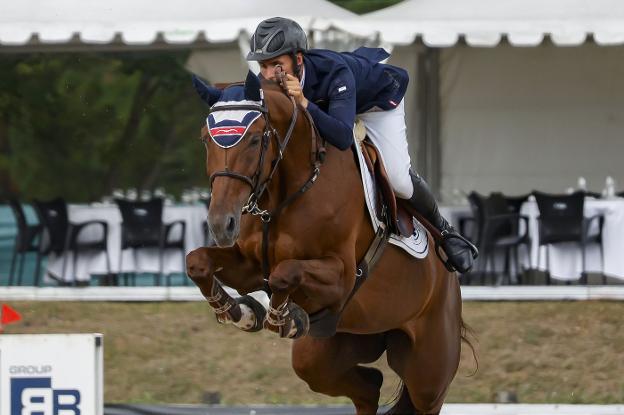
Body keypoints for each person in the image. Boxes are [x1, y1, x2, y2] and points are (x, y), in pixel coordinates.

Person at [247, 17, 477, 273]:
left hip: (376, 104)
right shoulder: (269, 81)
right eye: (263, 66)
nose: (268, 74)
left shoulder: (335, 72)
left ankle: (446, 232)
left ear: (298, 59)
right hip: (333, 108)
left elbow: (343, 137)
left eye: (276, 64)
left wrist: (304, 102)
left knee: (398, 178)